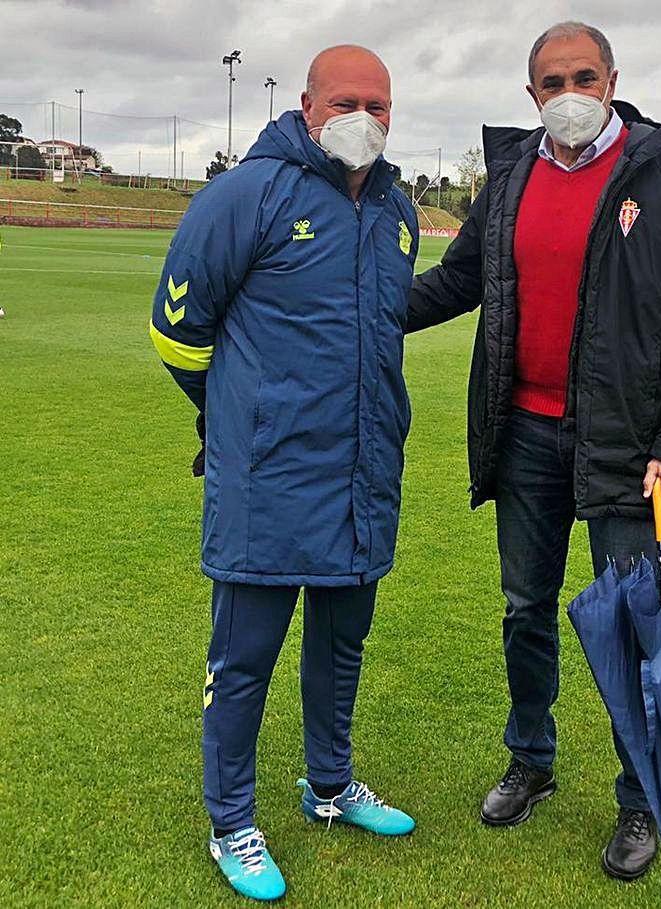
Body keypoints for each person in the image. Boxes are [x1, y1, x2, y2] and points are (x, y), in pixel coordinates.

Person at [407, 21, 661, 883]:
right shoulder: (511, 174)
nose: (568, 95)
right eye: (551, 82)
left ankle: (641, 795)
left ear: (613, 78)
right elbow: (459, 280)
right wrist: (365, 309)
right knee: (525, 607)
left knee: (635, 628)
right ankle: (532, 756)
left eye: (582, 76)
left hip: (630, 452)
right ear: (531, 96)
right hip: (522, 434)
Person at [149, 45, 419, 902]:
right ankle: (232, 821)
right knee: (244, 662)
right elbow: (177, 328)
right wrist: (233, 414)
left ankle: (330, 787)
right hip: (268, 477)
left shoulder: (398, 209)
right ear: (307, 106)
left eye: (378, 104)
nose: (363, 118)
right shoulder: (248, 193)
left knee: (342, 648)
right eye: (347, 101)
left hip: (362, 476)